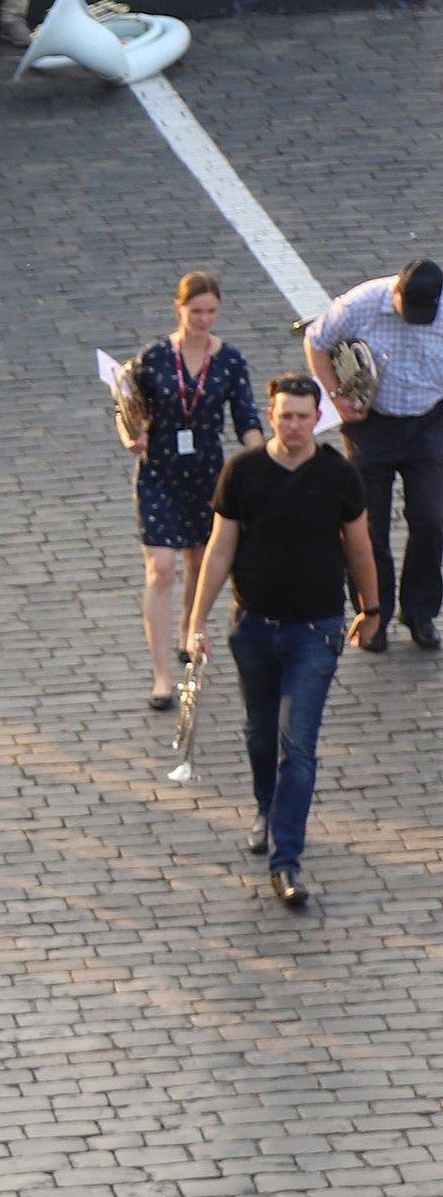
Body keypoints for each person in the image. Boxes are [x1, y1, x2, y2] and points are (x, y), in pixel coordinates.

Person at [183, 369, 379, 909]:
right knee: (258, 735)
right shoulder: (242, 472)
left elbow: (360, 546)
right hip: (252, 628)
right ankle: (266, 811)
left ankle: (285, 859)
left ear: (318, 419)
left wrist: (372, 608)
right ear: (270, 416)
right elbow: (220, 549)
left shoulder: (338, 476)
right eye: (284, 415)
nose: (293, 425)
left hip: (315, 631)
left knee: (299, 745)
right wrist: (195, 621)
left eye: (303, 416)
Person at [118, 271, 261, 710]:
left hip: (207, 474)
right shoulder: (154, 358)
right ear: (179, 309)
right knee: (160, 569)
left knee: (199, 562)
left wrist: (263, 463)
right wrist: (130, 435)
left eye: (211, 311)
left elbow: (247, 419)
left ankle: (187, 628)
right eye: (195, 311)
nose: (203, 319)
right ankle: (162, 676)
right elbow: (126, 406)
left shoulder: (230, 361)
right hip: (159, 472)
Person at [304, 254, 443, 650]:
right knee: (367, 526)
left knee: (432, 518)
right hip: (372, 424)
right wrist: (336, 398)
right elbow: (315, 341)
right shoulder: (361, 303)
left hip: (429, 422)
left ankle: (420, 611)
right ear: (395, 290)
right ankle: (373, 613)